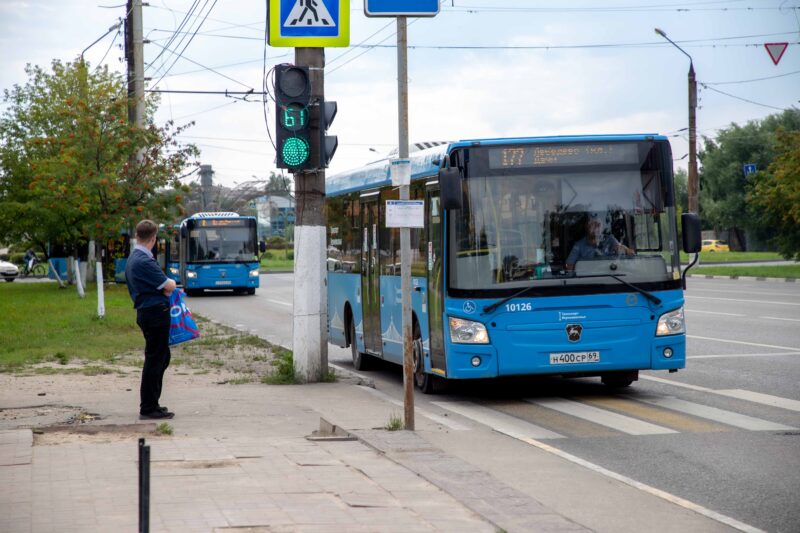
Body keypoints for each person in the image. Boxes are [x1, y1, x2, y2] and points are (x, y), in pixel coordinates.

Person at [125, 220, 177, 420]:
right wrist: (168, 285)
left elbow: (162, 287)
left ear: (138, 235)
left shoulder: (135, 257)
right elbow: (169, 285)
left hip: (149, 312)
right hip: (155, 314)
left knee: (161, 358)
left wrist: (164, 287)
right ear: (153, 238)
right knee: (155, 360)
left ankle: (152, 403)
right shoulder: (144, 261)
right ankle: (148, 407)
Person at [566, 217, 634, 270]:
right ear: (587, 227)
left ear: (602, 227)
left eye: (599, 225)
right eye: (593, 225)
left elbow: (620, 247)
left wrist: (626, 250)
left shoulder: (610, 239)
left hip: (609, 276)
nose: (596, 228)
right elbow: (569, 265)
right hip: (588, 279)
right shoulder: (579, 245)